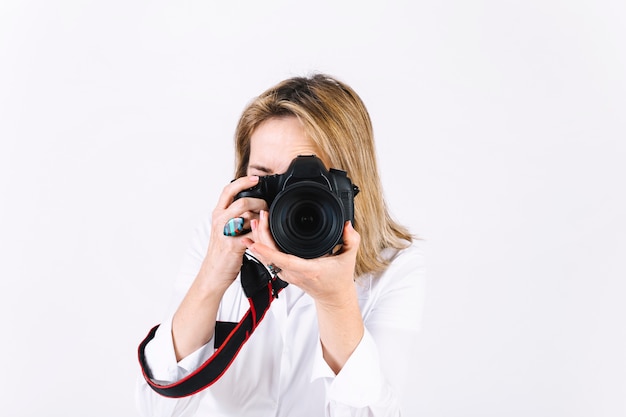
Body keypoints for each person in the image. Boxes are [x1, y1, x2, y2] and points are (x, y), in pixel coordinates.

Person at [136, 73, 425, 416]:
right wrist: (215, 275)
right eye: (268, 178)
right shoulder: (218, 240)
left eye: (306, 182)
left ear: (350, 185)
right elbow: (157, 408)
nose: (288, 200)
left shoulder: (395, 266)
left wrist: (336, 301)